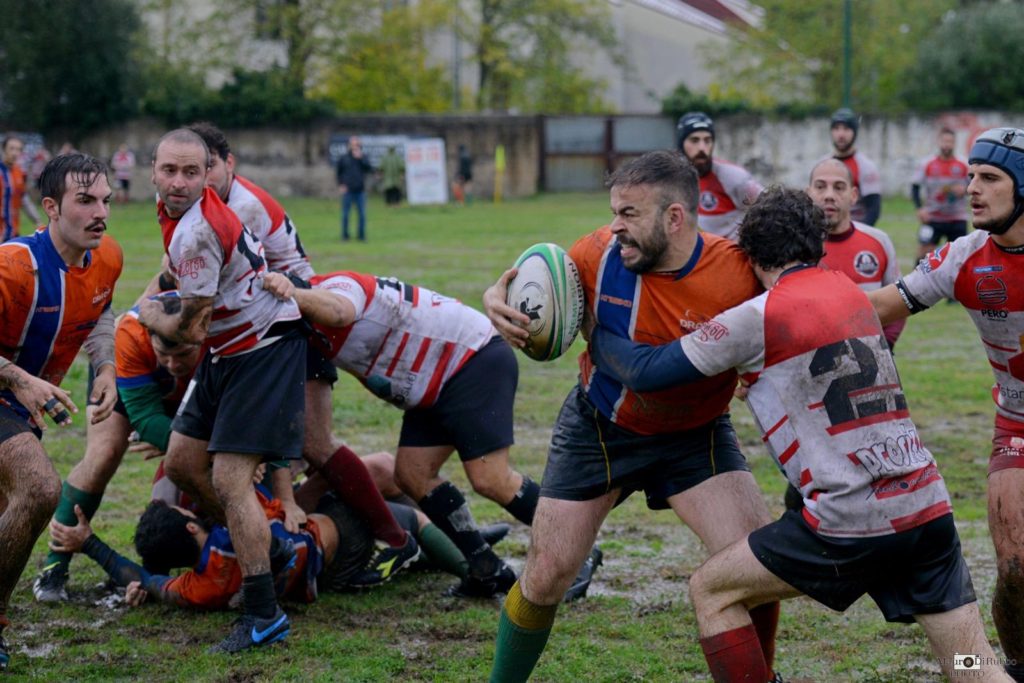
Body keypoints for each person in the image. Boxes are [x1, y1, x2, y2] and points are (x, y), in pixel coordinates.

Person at [587, 186, 1009, 683]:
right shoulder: (850, 294)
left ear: (749, 253)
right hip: (924, 509)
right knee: (970, 664)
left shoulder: (758, 316)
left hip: (851, 520)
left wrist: (593, 330)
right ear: (817, 243)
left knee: (712, 590)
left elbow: (649, 371)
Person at [483, 151, 778, 682]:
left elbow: (789, 316)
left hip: (696, 436)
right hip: (599, 426)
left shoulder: (736, 271)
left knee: (753, 567)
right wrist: (496, 301)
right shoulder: (596, 254)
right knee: (546, 576)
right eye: (614, 212)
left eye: (630, 214)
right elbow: (532, 293)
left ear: (675, 218)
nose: (615, 227)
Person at [262, 270, 601, 599]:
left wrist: (293, 296)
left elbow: (339, 311)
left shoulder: (337, 288)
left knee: (491, 478)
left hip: (471, 358)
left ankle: (581, 551)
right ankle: (486, 567)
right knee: (412, 474)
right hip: (433, 383)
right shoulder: (302, 332)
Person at [188, 121, 420, 585]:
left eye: (205, 167)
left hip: (292, 320)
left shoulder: (241, 207)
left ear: (227, 164)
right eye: (188, 169)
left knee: (316, 444)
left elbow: (224, 285)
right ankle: (273, 519)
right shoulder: (202, 205)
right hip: (263, 325)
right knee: (281, 448)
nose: (197, 178)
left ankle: (395, 537)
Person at [138, 128, 307, 654]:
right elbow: (183, 290)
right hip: (230, 347)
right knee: (184, 463)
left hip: (263, 346)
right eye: (170, 171)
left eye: (193, 171)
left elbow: (187, 331)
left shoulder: (198, 229)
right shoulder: (181, 214)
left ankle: (264, 614)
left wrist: (142, 311)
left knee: (230, 479)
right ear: (153, 172)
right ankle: (270, 547)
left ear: (210, 171)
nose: (181, 181)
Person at [869, 127, 1024, 683]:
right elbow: (880, 304)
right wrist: (787, 310)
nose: (972, 189)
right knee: (1014, 566)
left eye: (989, 178)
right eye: (970, 176)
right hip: (1018, 422)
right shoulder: (963, 256)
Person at [0, 153, 122, 671]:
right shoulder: (13, 266)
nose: (101, 213)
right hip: (8, 389)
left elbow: (101, 311)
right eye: (86, 201)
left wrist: (108, 368)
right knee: (39, 489)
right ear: (50, 207)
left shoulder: (107, 257)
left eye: (107, 201)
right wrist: (19, 378)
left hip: (20, 402)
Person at [808, 158, 905, 350]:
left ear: (853, 195)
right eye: (820, 187)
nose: (829, 195)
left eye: (839, 187)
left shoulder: (879, 241)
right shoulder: (793, 247)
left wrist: (884, 347)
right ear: (808, 193)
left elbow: (899, 302)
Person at [675, 112, 763, 241]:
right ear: (681, 144)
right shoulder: (671, 180)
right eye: (694, 140)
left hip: (730, 256)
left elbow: (769, 208)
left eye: (707, 140)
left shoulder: (734, 178)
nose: (702, 148)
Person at [912, 127, 970, 262]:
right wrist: (920, 209)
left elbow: (976, 186)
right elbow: (915, 186)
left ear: (954, 143)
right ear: (938, 142)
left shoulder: (964, 164)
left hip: (957, 218)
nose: (947, 144)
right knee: (923, 254)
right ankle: (917, 282)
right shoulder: (927, 164)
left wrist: (965, 189)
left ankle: (956, 283)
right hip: (932, 217)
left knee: (960, 257)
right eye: (944, 141)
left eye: (950, 141)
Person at [827, 108, 882, 226]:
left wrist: (859, 235)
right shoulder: (822, 164)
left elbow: (874, 209)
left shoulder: (866, 166)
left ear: (854, 133)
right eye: (836, 129)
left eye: (846, 129)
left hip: (855, 228)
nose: (841, 135)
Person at [0, 134, 42, 242]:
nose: (15, 153)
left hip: (13, 233)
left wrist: (37, 221)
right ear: (3, 150)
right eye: (11, 148)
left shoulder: (19, 172)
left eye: (18, 149)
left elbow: (23, 199)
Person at [336, 136, 371, 241]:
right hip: (348, 191)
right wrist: (341, 185)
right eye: (353, 144)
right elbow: (339, 173)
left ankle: (361, 236)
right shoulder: (344, 158)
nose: (355, 147)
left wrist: (361, 159)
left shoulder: (363, 157)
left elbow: (369, 169)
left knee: (362, 215)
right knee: (345, 215)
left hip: (360, 190)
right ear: (349, 145)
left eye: (357, 145)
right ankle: (345, 236)